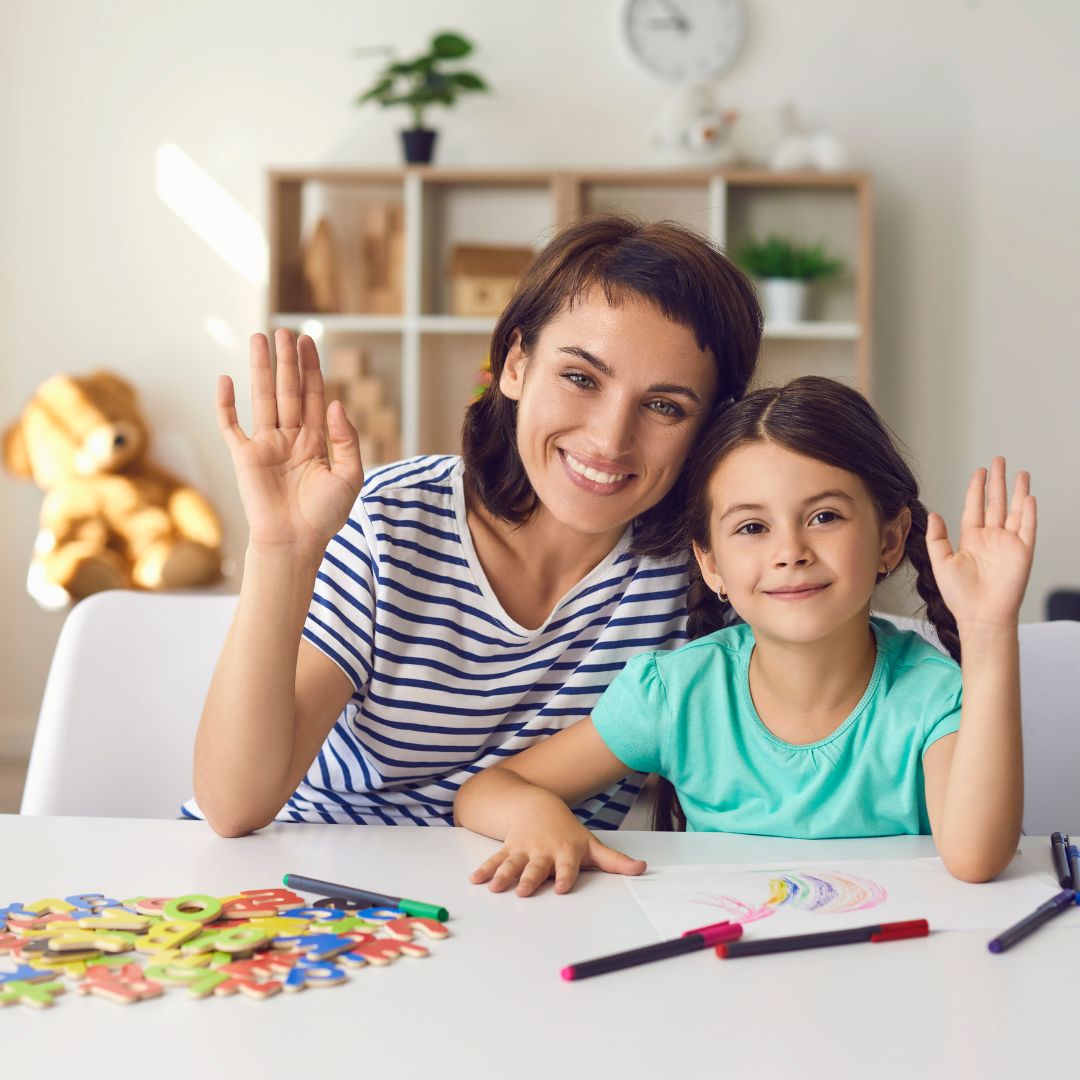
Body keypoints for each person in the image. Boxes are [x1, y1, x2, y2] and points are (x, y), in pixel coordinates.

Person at [190, 214, 763, 835]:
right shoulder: (393, 520)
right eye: (580, 377)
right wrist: (282, 550)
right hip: (313, 879)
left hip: (527, 902)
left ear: (711, 425)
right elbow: (233, 806)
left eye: (663, 406)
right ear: (515, 364)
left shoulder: (702, 573)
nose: (608, 438)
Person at [455, 376, 1037, 890]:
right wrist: (541, 817)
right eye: (753, 527)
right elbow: (485, 791)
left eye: (825, 517)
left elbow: (976, 857)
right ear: (711, 565)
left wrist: (987, 631)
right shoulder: (679, 693)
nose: (790, 552)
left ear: (888, 540)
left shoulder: (929, 695)